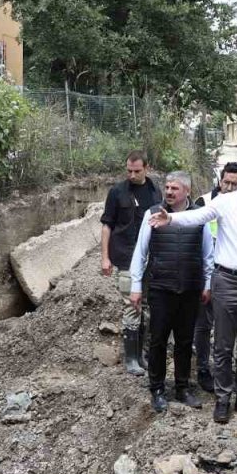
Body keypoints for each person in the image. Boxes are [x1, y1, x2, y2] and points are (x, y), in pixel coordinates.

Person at [149, 158, 237, 424]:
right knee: (222, 345)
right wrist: (171, 218)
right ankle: (223, 398)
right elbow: (198, 216)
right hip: (227, 280)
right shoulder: (224, 202)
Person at [128, 171, 214, 413]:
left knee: (185, 341)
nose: (169, 192)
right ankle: (157, 389)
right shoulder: (152, 213)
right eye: (167, 187)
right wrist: (136, 287)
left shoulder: (199, 216)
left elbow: (208, 254)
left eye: (174, 188)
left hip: (190, 289)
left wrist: (207, 284)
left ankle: (182, 387)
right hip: (161, 288)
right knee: (158, 340)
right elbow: (140, 253)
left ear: (187, 191)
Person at [101, 150, 161, 375]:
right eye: (129, 171)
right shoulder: (117, 192)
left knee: (145, 307)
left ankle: (141, 354)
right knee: (131, 305)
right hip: (125, 257)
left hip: (149, 258)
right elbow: (107, 225)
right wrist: (105, 257)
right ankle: (131, 358)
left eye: (136, 171)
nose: (132, 175)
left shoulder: (155, 191)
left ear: (147, 168)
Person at [192, 161, 237, 393]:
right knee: (203, 324)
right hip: (206, 272)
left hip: (232, 275)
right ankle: (203, 368)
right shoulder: (204, 203)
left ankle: (227, 370)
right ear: (220, 181)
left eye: (235, 184)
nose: (230, 188)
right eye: (227, 182)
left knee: (230, 327)